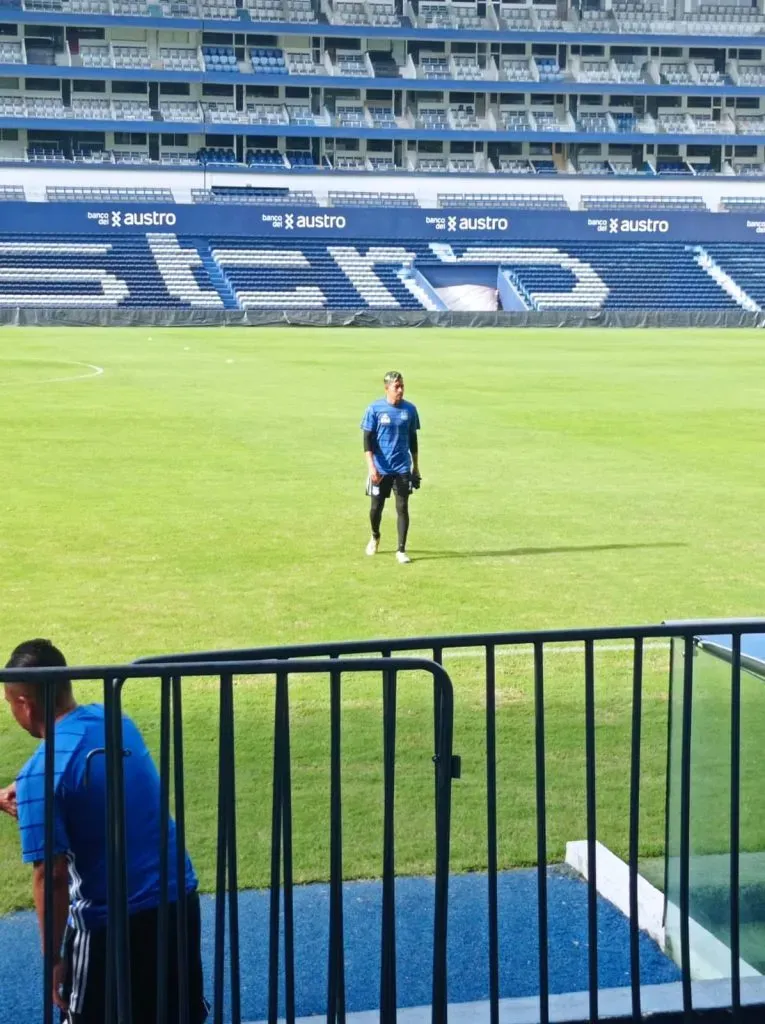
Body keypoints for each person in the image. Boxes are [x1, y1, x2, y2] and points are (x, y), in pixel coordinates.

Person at [1, 638, 209, 1024]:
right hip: (179, 901)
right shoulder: (116, 721)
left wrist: (53, 960)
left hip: (112, 926)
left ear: (24, 705)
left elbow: (52, 875)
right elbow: (102, 791)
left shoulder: (40, 774)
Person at [361, 370, 421, 564]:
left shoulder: (410, 410)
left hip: (402, 467)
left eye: (402, 386)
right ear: (387, 388)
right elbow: (367, 440)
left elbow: (413, 439)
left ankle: (401, 550)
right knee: (375, 508)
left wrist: (416, 467)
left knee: (402, 507)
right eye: (397, 386)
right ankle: (375, 535)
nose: (401, 390)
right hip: (380, 468)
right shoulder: (374, 409)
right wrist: (371, 467)